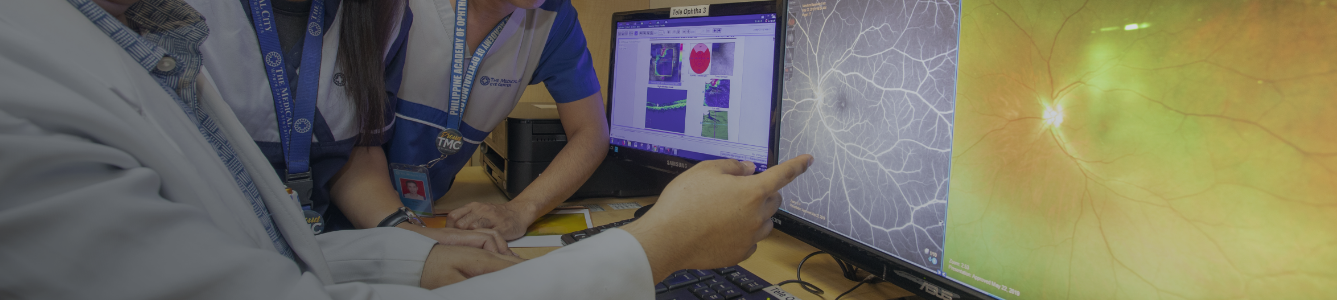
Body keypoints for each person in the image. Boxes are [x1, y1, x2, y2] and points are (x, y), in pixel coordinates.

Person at [0, 2, 814, 299]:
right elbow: (358, 146)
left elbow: (254, 263)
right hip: (381, 210)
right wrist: (659, 246)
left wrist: (426, 247)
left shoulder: (140, 44)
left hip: (413, 231)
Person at [184, 0, 512, 253]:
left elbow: (360, 155)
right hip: (202, 242)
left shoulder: (387, 13)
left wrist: (413, 237)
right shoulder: (169, 14)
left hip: (320, 243)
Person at [386, 0, 610, 240]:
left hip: (418, 213)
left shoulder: (555, 17)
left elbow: (592, 131)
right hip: (357, 205)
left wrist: (521, 209)